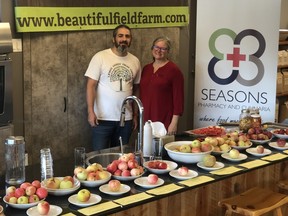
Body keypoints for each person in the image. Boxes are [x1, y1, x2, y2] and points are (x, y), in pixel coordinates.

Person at [85, 24, 141, 151]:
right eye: (120, 36)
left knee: (121, 159)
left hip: (125, 120)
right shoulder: (100, 57)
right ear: (113, 39)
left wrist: (135, 115)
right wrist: (90, 111)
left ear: (130, 40)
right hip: (102, 119)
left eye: (127, 36)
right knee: (99, 159)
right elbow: (90, 86)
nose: (124, 39)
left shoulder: (135, 61)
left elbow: (137, 88)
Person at [140, 36, 184, 135]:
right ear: (152, 49)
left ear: (168, 51)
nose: (159, 51)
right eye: (156, 47)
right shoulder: (146, 69)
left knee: (160, 148)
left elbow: (178, 99)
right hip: (146, 120)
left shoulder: (174, 71)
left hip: (164, 120)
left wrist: (174, 123)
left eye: (163, 48)